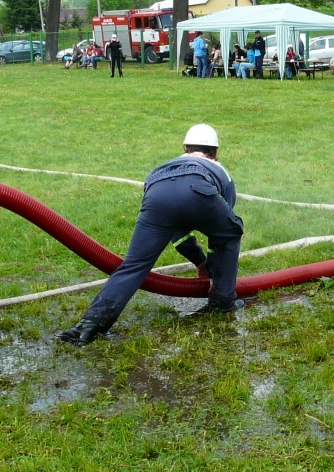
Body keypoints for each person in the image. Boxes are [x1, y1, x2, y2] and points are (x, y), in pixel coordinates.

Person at [58, 124, 244, 346]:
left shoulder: (167, 165)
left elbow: (177, 232)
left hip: (157, 191)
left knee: (134, 265)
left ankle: (88, 326)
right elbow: (222, 234)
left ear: (184, 147)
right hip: (199, 188)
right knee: (231, 232)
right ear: (215, 152)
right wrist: (211, 269)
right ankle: (223, 302)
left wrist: (199, 262)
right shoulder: (222, 172)